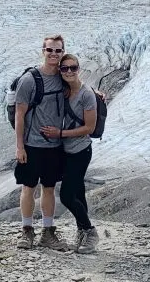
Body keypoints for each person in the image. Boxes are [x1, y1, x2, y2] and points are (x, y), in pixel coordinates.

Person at [14, 35, 72, 251]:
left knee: (49, 188)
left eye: (58, 51)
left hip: (54, 145)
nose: (54, 55)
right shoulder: (29, 80)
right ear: (43, 51)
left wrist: (97, 94)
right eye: (50, 50)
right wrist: (19, 146)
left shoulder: (63, 75)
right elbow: (20, 115)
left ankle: (48, 232)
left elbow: (78, 88)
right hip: (32, 144)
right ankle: (27, 231)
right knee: (28, 187)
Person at [41, 52, 99, 253]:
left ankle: (90, 232)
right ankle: (82, 231)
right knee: (78, 192)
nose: (69, 71)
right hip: (66, 151)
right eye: (64, 68)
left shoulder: (86, 94)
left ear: (78, 69)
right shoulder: (64, 89)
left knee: (66, 195)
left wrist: (60, 133)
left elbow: (89, 128)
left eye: (73, 68)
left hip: (81, 151)